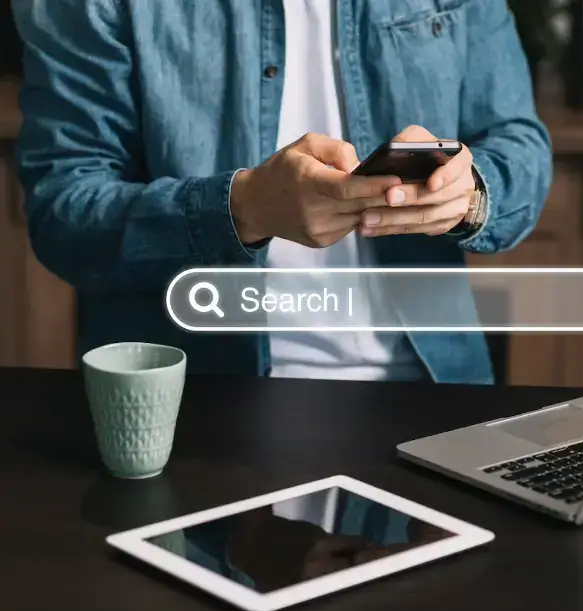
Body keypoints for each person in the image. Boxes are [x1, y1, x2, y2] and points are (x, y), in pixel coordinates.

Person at [12, 0, 552, 384]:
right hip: (198, 411)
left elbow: (518, 143)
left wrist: (469, 192)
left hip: (433, 392)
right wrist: (240, 209)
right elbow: (64, 210)